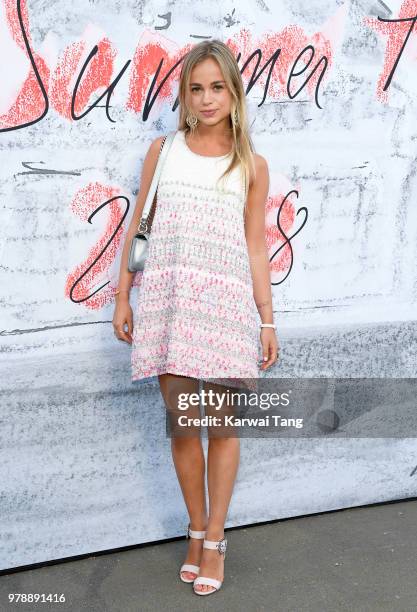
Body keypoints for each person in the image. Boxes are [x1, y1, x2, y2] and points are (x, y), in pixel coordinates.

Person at [112, 39, 279, 596]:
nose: (207, 99)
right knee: (184, 425)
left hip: (228, 310)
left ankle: (216, 539)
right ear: (184, 95)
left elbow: (256, 245)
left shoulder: (251, 164)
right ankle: (193, 530)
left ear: (234, 92)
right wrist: (122, 297)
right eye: (196, 88)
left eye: (218, 86)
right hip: (169, 304)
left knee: (222, 428)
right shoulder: (165, 151)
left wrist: (267, 319)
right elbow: (139, 225)